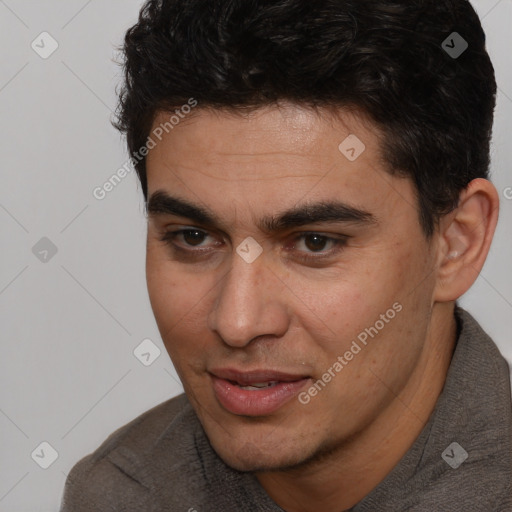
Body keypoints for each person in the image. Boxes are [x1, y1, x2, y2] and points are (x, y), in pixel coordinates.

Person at [59, 0, 512, 510]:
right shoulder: (120, 493)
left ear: (457, 243)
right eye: (193, 237)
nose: (237, 322)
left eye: (314, 242)